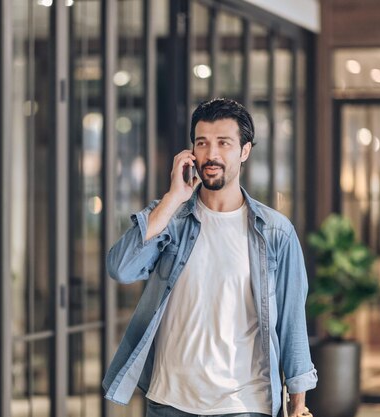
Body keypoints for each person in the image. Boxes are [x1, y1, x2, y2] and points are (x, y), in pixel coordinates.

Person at [102, 98, 317, 417]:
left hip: (243, 405)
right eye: (202, 143)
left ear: (245, 151)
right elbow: (121, 268)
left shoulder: (274, 232)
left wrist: (298, 406)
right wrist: (174, 197)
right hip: (168, 403)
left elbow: (292, 322)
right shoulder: (169, 219)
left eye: (224, 143)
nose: (211, 154)